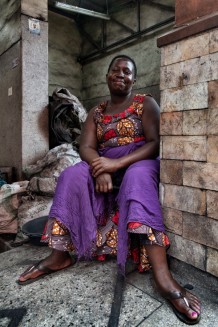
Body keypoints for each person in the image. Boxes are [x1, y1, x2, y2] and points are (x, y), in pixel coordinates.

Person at [17, 55, 201, 324]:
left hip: (139, 160)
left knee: (137, 177)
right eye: (116, 70)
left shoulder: (145, 103)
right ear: (107, 76)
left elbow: (154, 143)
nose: (121, 74)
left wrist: (115, 164)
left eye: (127, 71)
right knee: (71, 175)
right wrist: (101, 168)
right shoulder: (96, 112)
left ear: (133, 80)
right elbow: (86, 148)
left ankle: (162, 276)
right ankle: (59, 256)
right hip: (103, 161)